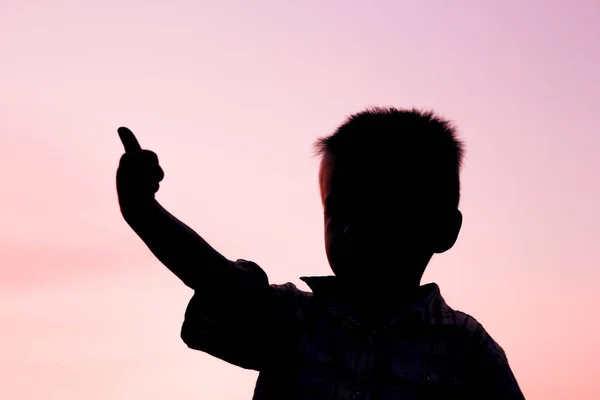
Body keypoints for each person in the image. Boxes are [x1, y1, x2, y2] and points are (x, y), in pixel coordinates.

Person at [116, 107, 525, 399]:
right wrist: (142, 211)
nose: (348, 226)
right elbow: (216, 279)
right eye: (336, 209)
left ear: (442, 230)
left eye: (377, 208)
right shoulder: (296, 321)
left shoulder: (469, 352)